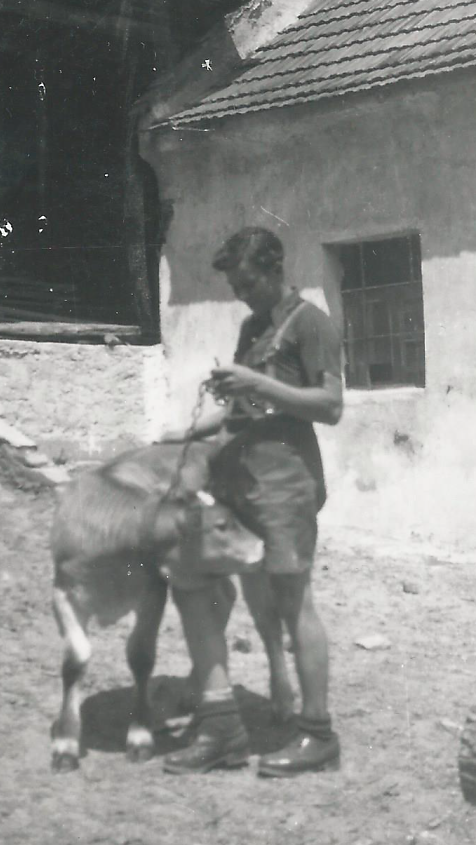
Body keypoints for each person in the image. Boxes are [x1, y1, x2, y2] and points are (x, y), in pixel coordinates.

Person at [162, 226, 343, 777]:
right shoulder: (251, 328)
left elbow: (330, 404)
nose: (242, 295)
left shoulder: (312, 324)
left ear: (274, 269)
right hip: (238, 479)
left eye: (248, 283)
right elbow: (244, 410)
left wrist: (256, 385)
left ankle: (317, 734)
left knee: (293, 605)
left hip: (286, 487)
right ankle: (221, 723)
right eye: (236, 287)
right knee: (192, 574)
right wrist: (187, 432)